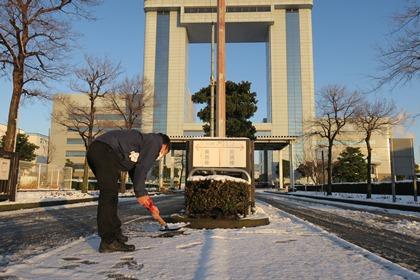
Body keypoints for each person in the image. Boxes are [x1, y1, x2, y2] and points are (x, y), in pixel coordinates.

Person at [87, 130, 171, 253]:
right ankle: (108, 241)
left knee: (111, 194)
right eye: (164, 153)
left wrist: (147, 202)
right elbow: (142, 169)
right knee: (108, 194)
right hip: (104, 150)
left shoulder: (142, 146)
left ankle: (115, 234)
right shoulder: (156, 141)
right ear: (165, 146)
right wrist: (142, 195)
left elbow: (137, 173)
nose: (160, 155)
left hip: (100, 151)